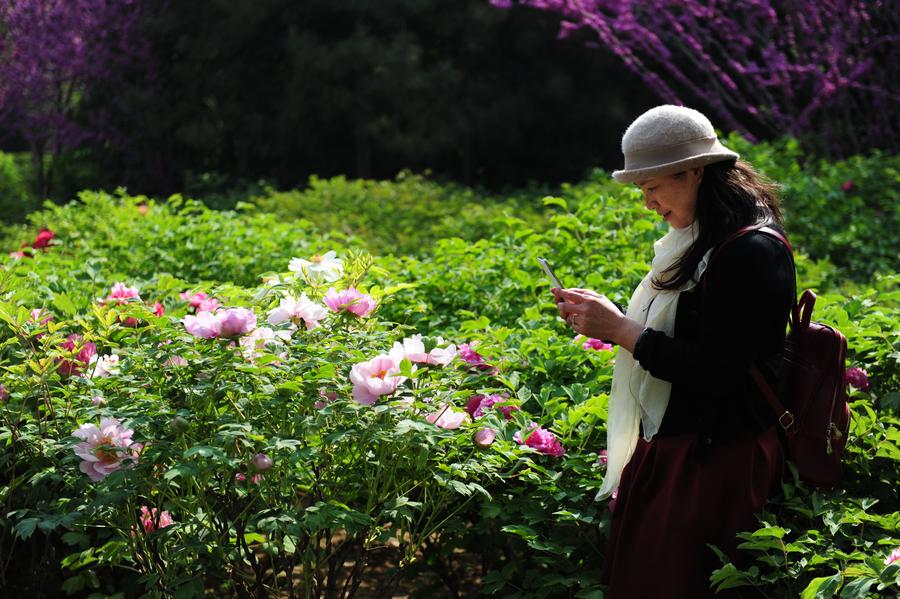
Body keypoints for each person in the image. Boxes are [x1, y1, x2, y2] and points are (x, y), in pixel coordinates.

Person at [552, 105, 794, 598]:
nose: (648, 203)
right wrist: (611, 319)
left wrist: (623, 332)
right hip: (681, 450)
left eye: (652, 187)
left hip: (717, 462)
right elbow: (691, 338)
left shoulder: (752, 251)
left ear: (695, 172)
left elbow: (721, 372)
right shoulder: (699, 242)